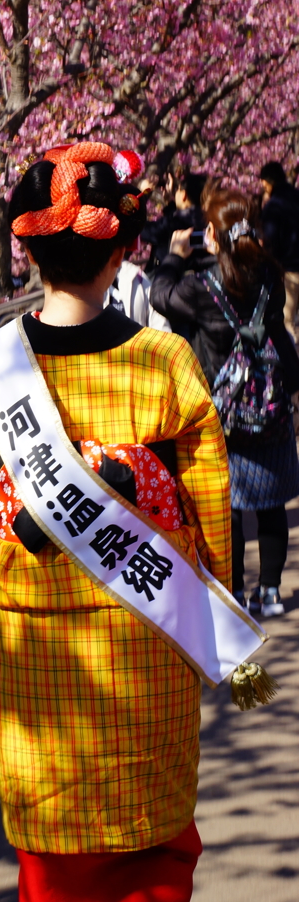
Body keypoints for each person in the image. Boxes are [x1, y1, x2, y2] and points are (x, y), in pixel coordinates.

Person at [0, 141, 232, 902]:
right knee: (154, 835)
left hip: (36, 650)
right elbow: (210, 490)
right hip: (145, 630)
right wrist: (211, 592)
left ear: (28, 252)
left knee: (54, 853)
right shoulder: (163, 361)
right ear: (123, 252)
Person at [151, 182, 299, 617]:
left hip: (225, 412)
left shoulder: (202, 287)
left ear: (212, 236)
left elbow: (161, 295)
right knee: (271, 505)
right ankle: (269, 593)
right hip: (269, 408)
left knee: (229, 511)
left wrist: (176, 255)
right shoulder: (269, 274)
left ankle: (232, 596)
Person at [258, 160, 299, 342]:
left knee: (288, 323)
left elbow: (269, 240)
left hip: (290, 270)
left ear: (267, 181)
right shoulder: (296, 196)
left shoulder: (274, 206)